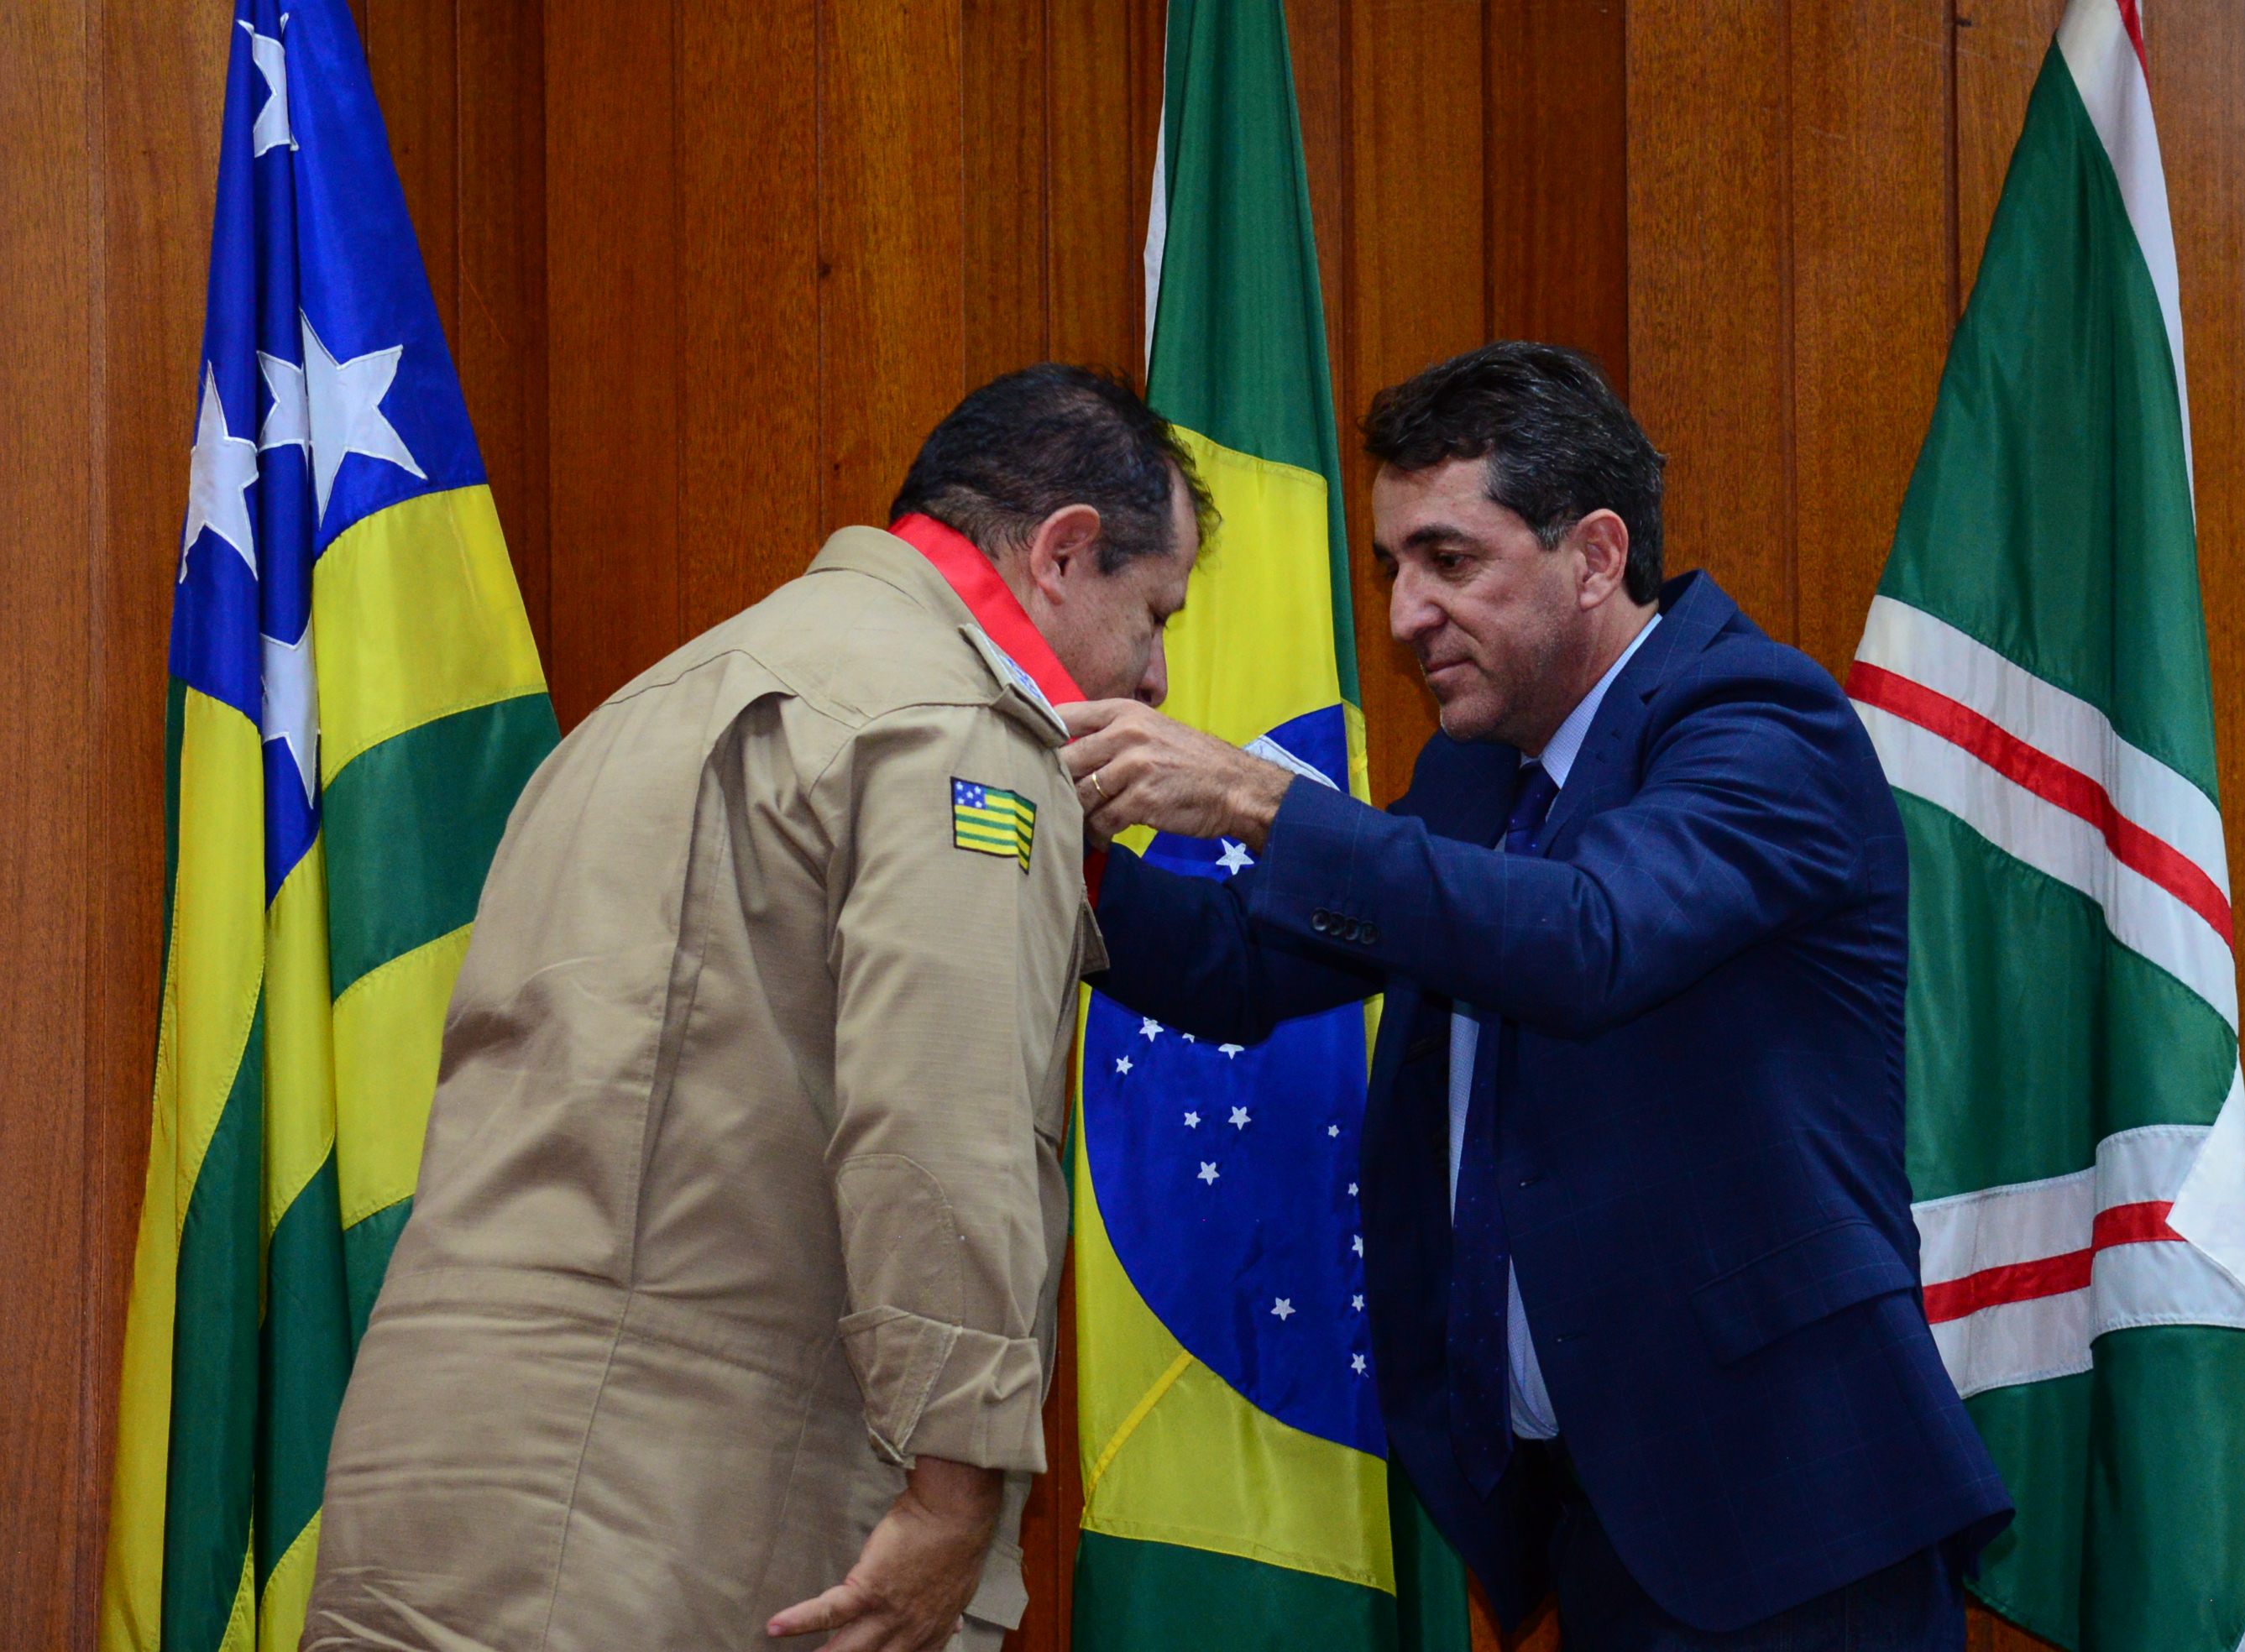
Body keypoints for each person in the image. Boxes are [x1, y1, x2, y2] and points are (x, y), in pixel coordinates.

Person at [1061, 342, 2011, 1649]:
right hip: (1598, 1512)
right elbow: (1236, 965)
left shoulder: (1760, 723)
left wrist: (1261, 800)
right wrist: (1043, 846)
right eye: (1394, 568)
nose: (1406, 615)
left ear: (1597, 556)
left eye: (1450, 561)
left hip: (1793, 1509)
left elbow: (1588, 936)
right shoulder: (1478, 778)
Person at [304, 364, 1206, 1652]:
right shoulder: (957, 728)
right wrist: (955, 1481)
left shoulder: (645, 704)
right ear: (1063, 553)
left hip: (434, 1490)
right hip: (669, 1529)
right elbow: (943, 1127)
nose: (1156, 678)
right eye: (1154, 614)